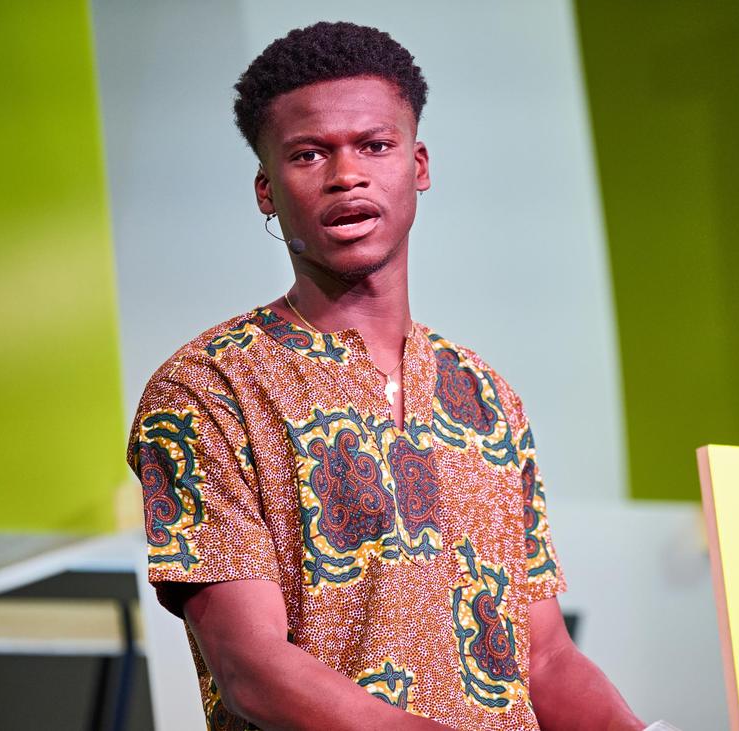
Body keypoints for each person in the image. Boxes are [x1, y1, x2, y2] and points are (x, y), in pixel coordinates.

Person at [127, 21, 663, 730]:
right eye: (309, 153)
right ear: (266, 190)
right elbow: (251, 669)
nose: (346, 175)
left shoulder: (485, 395)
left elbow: (544, 659)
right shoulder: (207, 390)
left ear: (419, 164)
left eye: (374, 146)